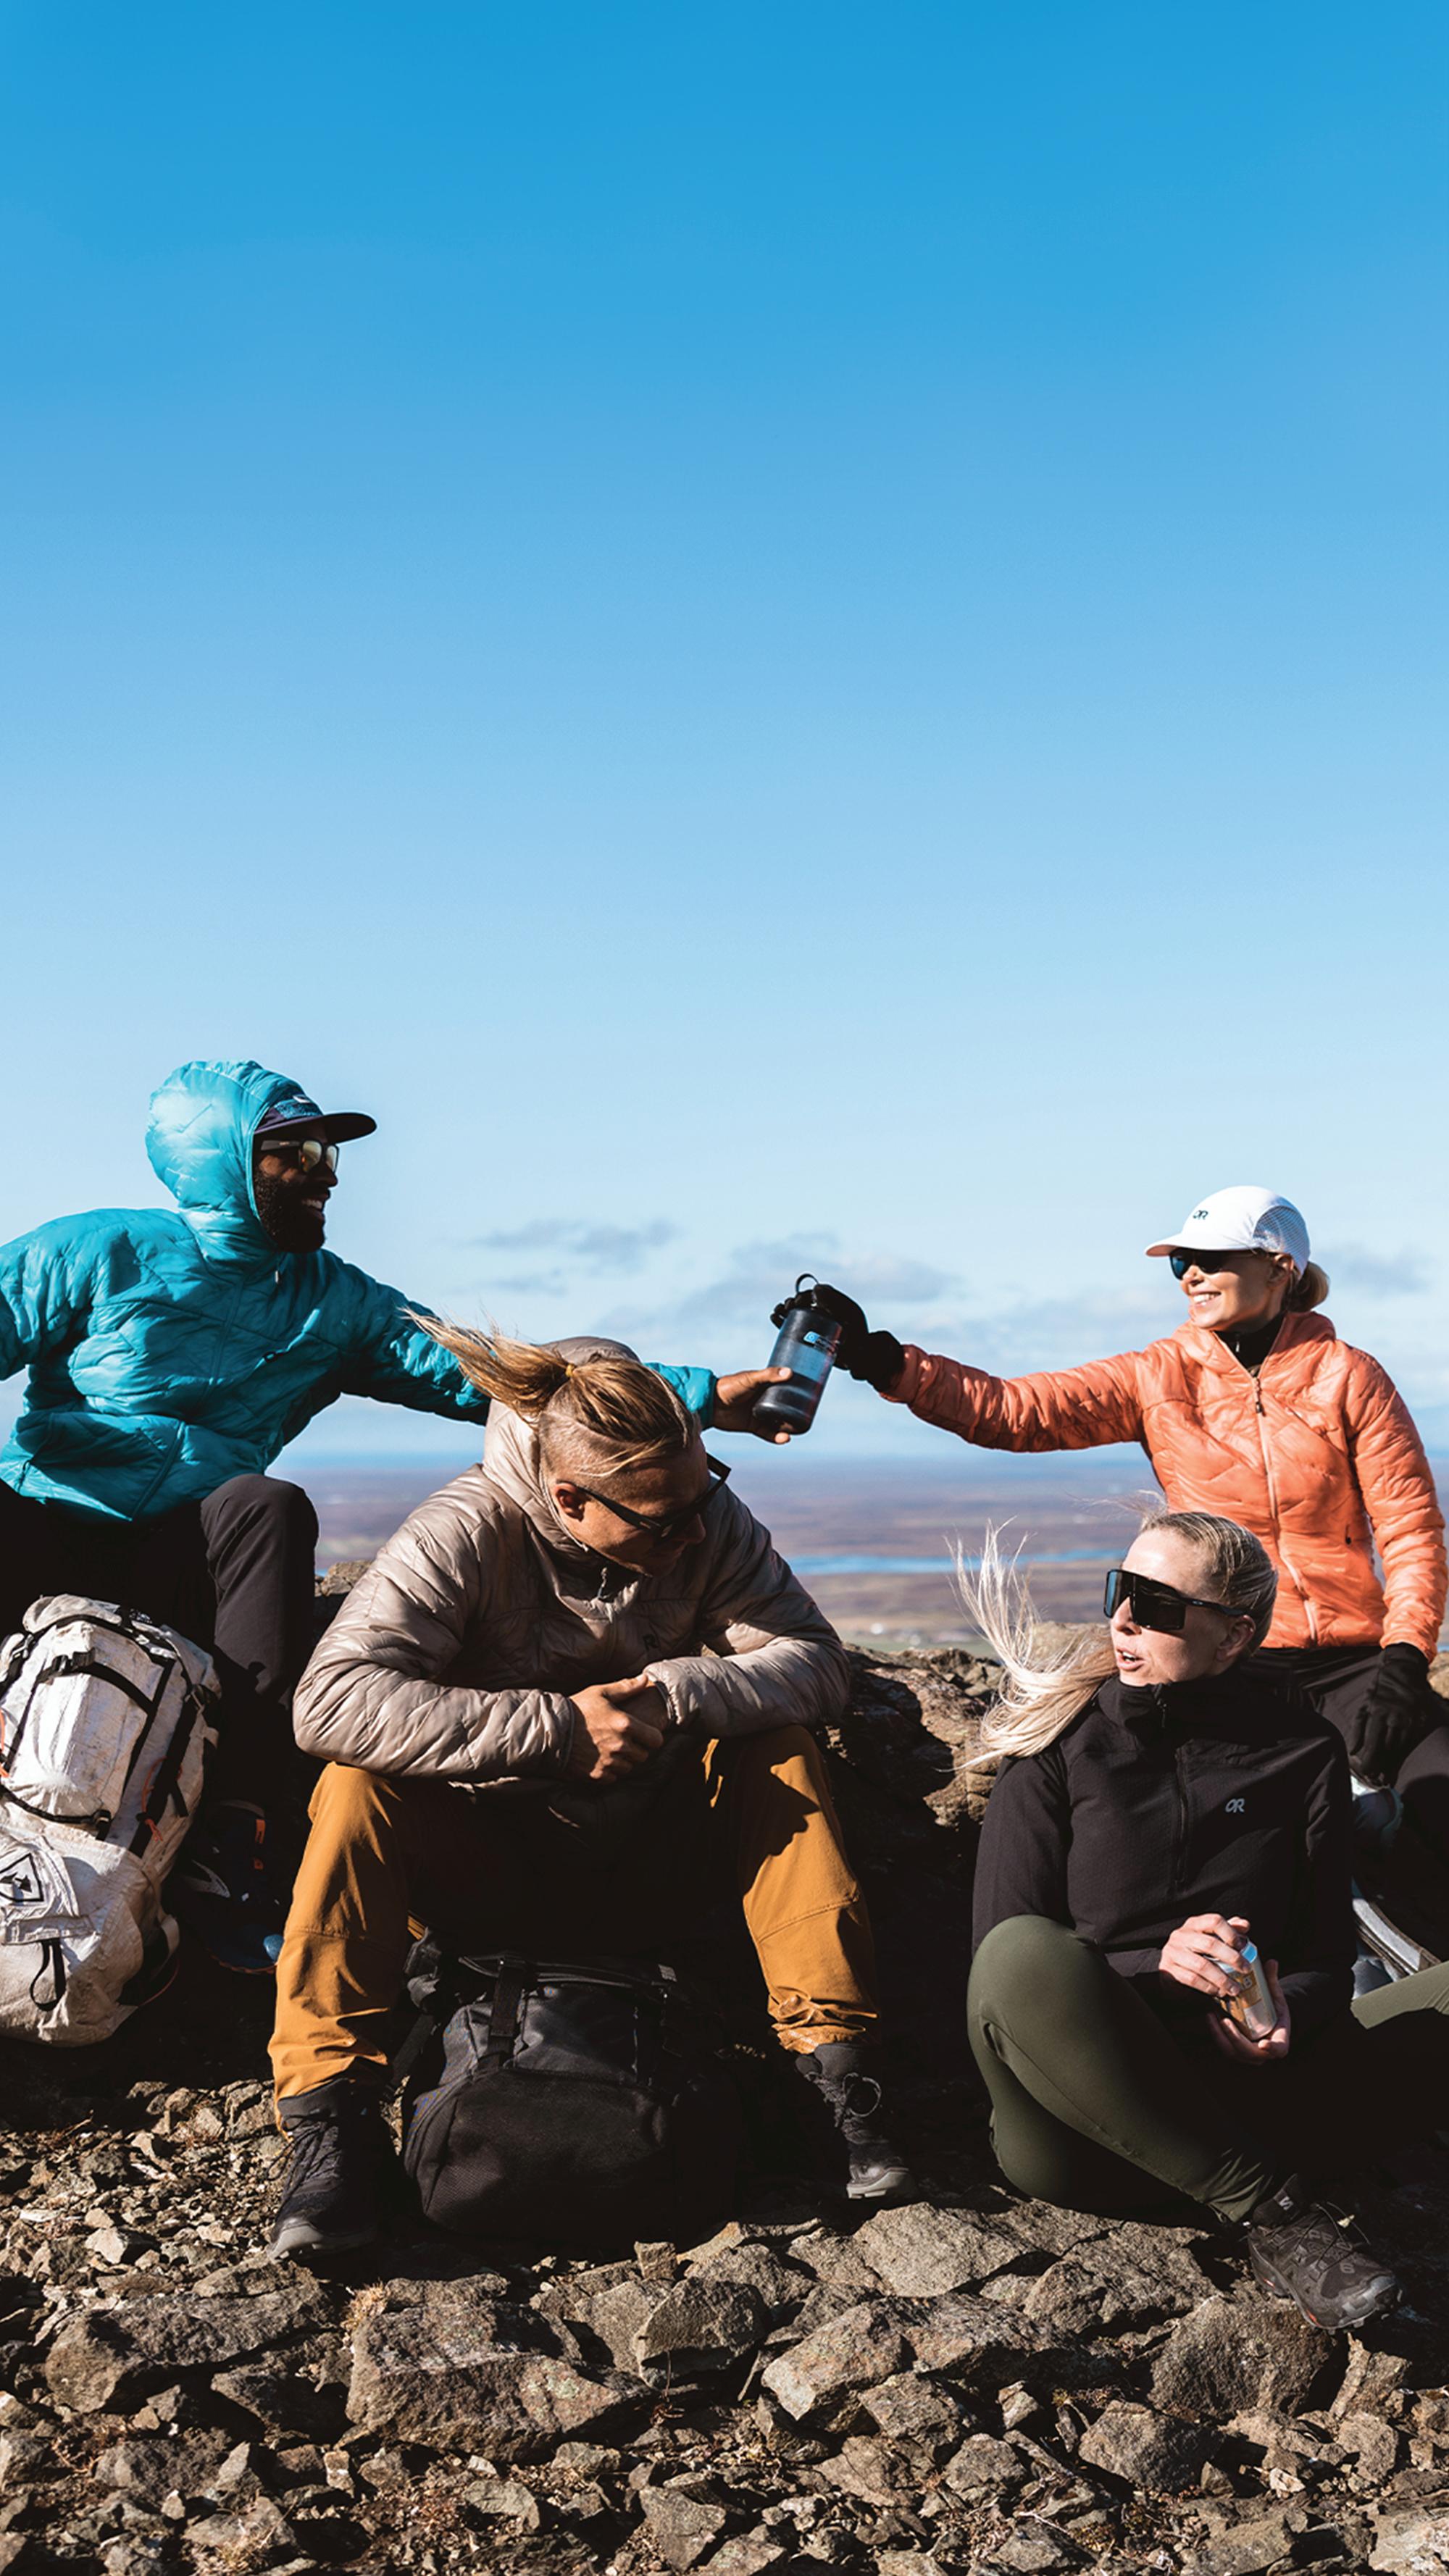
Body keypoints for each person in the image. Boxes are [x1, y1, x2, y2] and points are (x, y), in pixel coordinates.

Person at [0, 1058, 792, 1971]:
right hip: (47, 1523)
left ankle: (236, 1839)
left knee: (268, 1507)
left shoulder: (332, 1301)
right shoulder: (99, 1250)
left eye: (329, 1154)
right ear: (223, 1161)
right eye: (299, 1154)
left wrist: (698, 1395)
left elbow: (488, 1374)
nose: (327, 1174)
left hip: (189, 1550)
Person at [267, 1329, 908, 2259]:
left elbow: (813, 1660)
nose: (695, 1532)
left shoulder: (702, 1513)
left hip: (658, 1863)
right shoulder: (463, 1531)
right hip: (492, 1870)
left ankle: (833, 2082)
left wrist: (677, 1692)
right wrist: (559, 1730)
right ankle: (331, 2122)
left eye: (704, 1495)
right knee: (357, 1787)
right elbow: (330, 1703)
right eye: (663, 1519)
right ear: (569, 1497)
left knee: (779, 1751)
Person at [815, 1186, 1449, 1913]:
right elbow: (1015, 1412)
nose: (1189, 1274)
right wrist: (880, 1359)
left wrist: (1404, 1663)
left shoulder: (1349, 1376)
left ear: (1279, 1267)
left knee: (1436, 1796)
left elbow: (1409, 1527)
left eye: (1209, 1258)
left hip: (1350, 1661)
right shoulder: (1158, 1374)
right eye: (1180, 1261)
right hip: (1216, 1653)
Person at [964, 1507, 1449, 2333]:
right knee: (1020, 1953)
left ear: (1233, 1637)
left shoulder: (1303, 1751)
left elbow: (1327, 1956)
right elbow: (1004, 1973)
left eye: (1156, 1604)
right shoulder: (1054, 1750)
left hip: (1262, 2094)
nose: (1123, 1618)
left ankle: (1258, 2177)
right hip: (1091, 2137)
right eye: (1120, 1590)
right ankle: (1273, 2213)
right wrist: (1158, 1967)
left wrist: (1285, 2010)